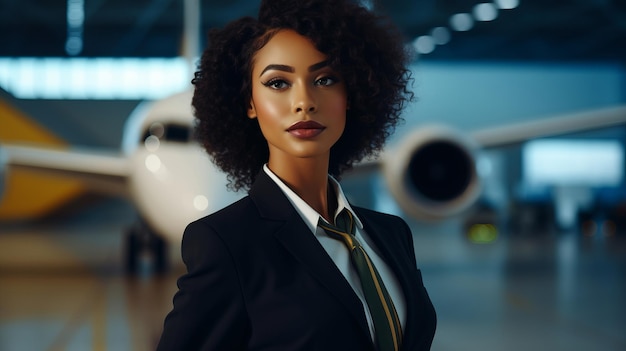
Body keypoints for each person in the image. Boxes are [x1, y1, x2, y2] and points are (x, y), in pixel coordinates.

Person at [156, 0, 436, 350]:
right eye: (278, 83)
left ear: (351, 94)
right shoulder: (225, 244)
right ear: (249, 103)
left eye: (325, 79)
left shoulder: (393, 235)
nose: (304, 101)